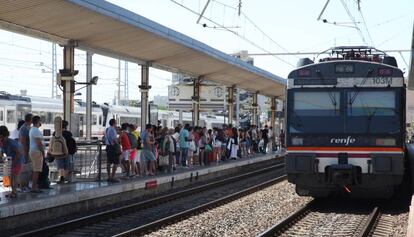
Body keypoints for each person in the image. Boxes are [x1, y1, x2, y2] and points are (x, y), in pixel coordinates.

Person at [0, 126, 24, 198]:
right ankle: (13, 192)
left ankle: (14, 192)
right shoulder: (2, 142)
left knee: (14, 177)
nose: (1, 139)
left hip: (18, 161)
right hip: (11, 160)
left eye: (2, 137)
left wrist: (13, 162)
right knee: (10, 177)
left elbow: (18, 153)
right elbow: (2, 152)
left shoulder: (11, 143)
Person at [29, 115, 44, 193]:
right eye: (40, 121)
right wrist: (43, 152)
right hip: (36, 152)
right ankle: (34, 187)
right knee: (36, 170)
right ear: (38, 122)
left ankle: (33, 185)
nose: (41, 122)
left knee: (35, 169)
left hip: (33, 151)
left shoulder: (33, 130)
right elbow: (39, 143)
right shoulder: (35, 130)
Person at [18, 113, 32, 191]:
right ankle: (22, 186)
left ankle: (25, 185)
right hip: (24, 151)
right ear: (30, 119)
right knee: (24, 169)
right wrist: (26, 153)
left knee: (27, 169)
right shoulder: (24, 128)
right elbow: (23, 142)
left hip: (27, 151)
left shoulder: (27, 127)